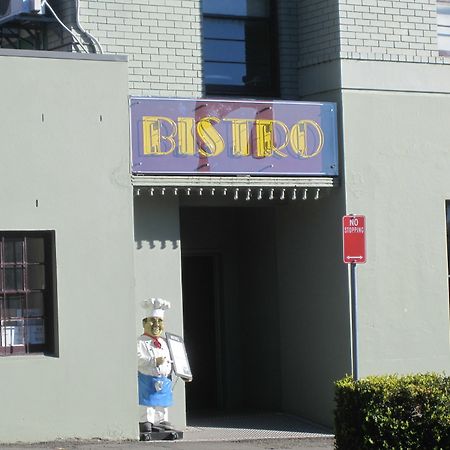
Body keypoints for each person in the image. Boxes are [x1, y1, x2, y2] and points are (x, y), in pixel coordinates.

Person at [137, 298, 174, 433]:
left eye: (160, 321)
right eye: (152, 320)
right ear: (144, 323)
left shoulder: (164, 342)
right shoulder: (140, 342)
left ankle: (161, 421)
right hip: (147, 379)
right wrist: (153, 361)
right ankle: (146, 421)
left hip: (164, 380)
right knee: (147, 402)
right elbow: (138, 359)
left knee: (162, 402)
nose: (156, 324)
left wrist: (183, 372)